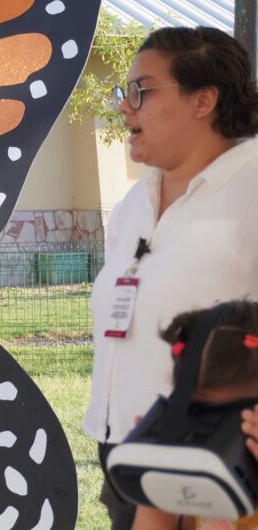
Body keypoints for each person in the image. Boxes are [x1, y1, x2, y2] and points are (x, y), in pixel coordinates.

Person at [84, 26, 258, 530]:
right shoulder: (136, 201)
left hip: (218, 458)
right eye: (124, 92)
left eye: (141, 90)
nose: (124, 107)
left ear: (203, 100)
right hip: (128, 450)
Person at [130, 300, 258, 530]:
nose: (214, 443)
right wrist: (156, 481)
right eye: (201, 421)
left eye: (233, 423)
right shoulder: (198, 486)